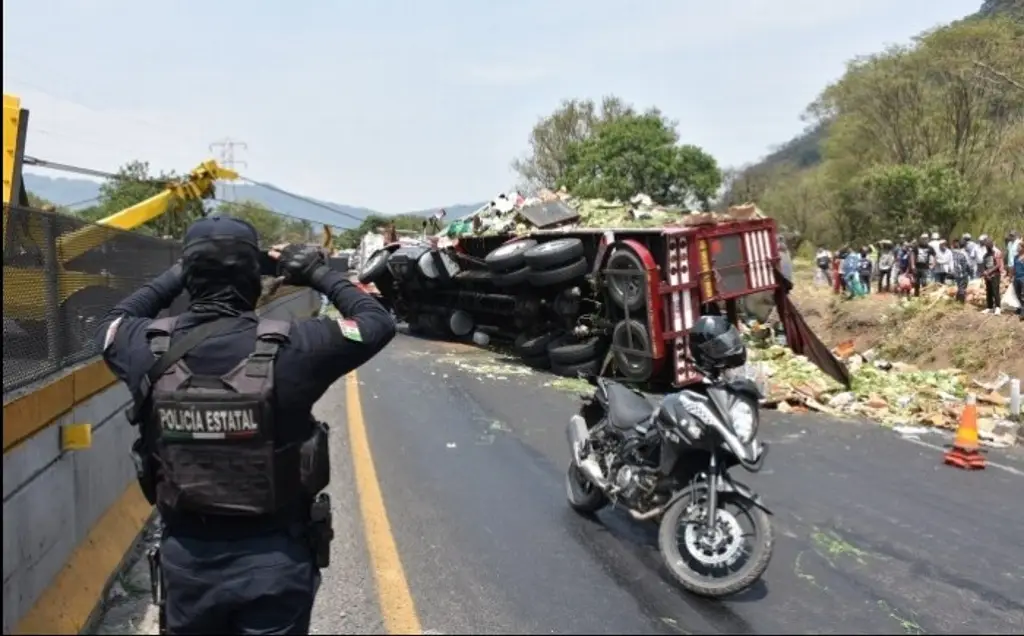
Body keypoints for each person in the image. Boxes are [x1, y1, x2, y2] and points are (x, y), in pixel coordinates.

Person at [97, 216, 397, 634]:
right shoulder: (297, 345)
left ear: (190, 278)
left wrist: (178, 272)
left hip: (188, 562)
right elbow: (376, 321)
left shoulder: (144, 346)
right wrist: (316, 273)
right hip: (275, 562)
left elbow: (113, 321)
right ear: (255, 278)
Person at [979, 236, 1003, 315]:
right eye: (986, 246)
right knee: (988, 291)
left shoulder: (996, 253)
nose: (987, 247)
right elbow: (983, 265)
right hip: (988, 276)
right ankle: (989, 307)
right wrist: (985, 273)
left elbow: (998, 265)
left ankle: (998, 307)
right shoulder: (985, 255)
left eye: (988, 245)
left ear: (991, 245)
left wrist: (989, 272)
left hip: (995, 275)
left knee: (995, 291)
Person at [951, 239, 972, 304]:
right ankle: (961, 302)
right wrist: (970, 271)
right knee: (962, 287)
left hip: (954, 273)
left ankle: (957, 300)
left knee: (959, 287)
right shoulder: (963, 253)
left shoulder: (951, 253)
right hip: (962, 273)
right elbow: (967, 264)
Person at [1013, 241, 1024, 320]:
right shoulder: (1016, 257)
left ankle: (1023, 312)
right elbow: (1014, 268)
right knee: (1018, 294)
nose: (1017, 248)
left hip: (1023, 278)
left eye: (1019, 246)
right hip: (1016, 278)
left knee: (1023, 295)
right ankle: (1021, 307)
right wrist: (1012, 276)